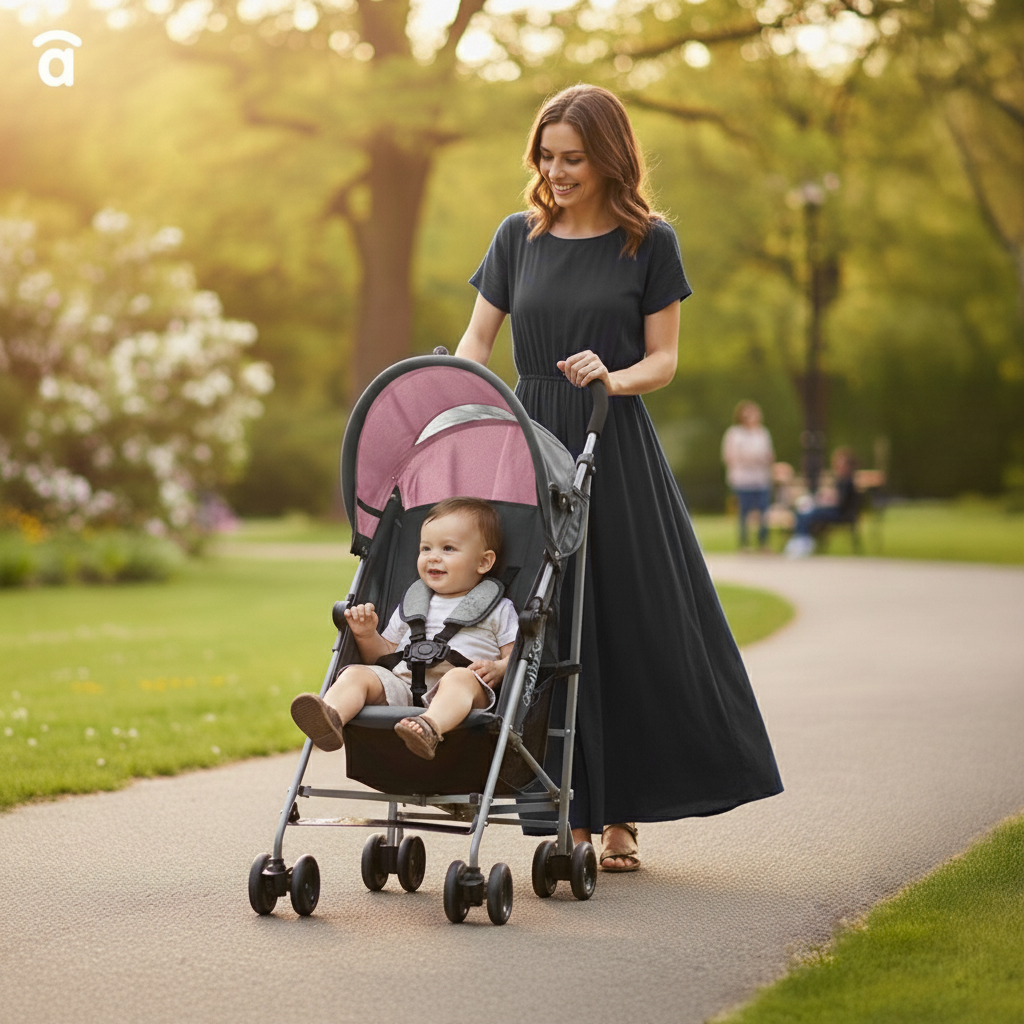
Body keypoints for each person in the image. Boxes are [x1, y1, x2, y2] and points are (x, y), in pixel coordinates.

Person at [455, 84, 782, 872]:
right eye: (546, 156)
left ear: (609, 158)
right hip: (528, 447)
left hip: (611, 444)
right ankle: (559, 809)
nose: (556, 171)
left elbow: (665, 360)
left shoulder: (650, 242)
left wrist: (614, 374)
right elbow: (474, 343)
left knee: (623, 624)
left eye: (573, 158)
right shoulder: (516, 237)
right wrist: (458, 410)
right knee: (543, 625)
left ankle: (623, 815)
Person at [290, 497, 518, 760]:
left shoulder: (499, 609)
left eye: (448, 549)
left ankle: (430, 727)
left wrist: (500, 668)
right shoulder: (412, 604)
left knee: (460, 679)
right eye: (425, 548)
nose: (433, 557)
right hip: (402, 687)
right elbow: (383, 656)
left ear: (484, 562)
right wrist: (366, 634)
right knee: (357, 673)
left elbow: (515, 655)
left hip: (463, 692)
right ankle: (331, 718)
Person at [784, 447, 860, 558]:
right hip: (837, 511)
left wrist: (828, 500)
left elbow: (842, 503)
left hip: (840, 513)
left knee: (808, 513)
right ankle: (800, 538)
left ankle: (803, 541)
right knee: (804, 511)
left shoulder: (848, 481)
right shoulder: (841, 480)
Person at [721, 400, 775, 552]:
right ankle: (744, 544)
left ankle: (763, 543)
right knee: (743, 512)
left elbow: (769, 454)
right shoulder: (734, 433)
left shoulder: (762, 433)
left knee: (763, 512)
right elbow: (729, 456)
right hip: (742, 479)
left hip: (760, 478)